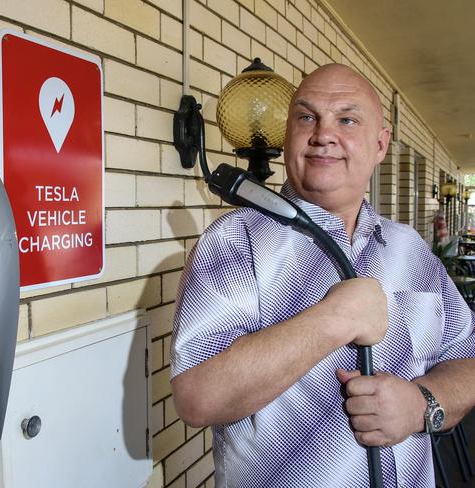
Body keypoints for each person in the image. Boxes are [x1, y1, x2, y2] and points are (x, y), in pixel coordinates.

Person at [170, 63, 475, 487]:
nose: (323, 134)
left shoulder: (412, 250)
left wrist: (423, 404)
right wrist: (334, 320)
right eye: (306, 117)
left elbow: (467, 358)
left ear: (381, 144)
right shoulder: (235, 240)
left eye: (346, 119)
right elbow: (197, 397)